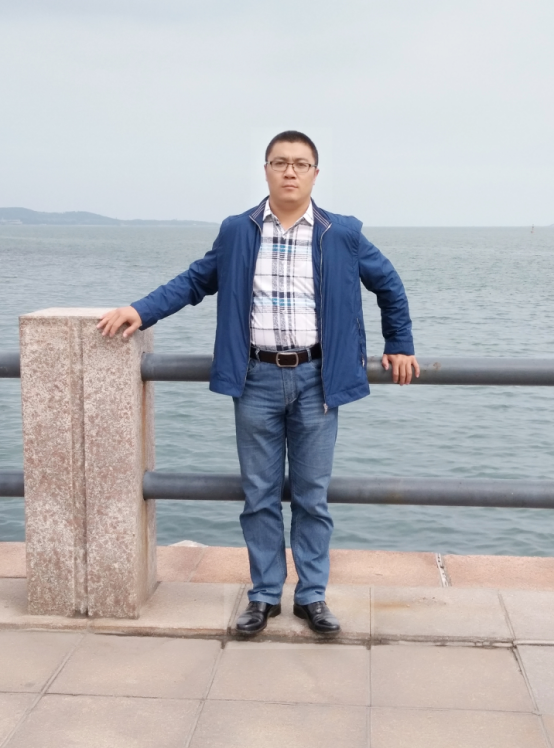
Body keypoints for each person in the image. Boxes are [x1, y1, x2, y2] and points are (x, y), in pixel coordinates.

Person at [97, 130, 419, 636]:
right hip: (255, 379)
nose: (290, 171)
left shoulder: (342, 233)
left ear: (315, 173)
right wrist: (140, 310)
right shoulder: (237, 231)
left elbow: (389, 285)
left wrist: (399, 342)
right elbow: (195, 281)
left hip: (318, 379)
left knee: (312, 497)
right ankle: (265, 594)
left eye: (300, 163)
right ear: (266, 170)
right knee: (260, 496)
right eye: (279, 162)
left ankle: (311, 596)